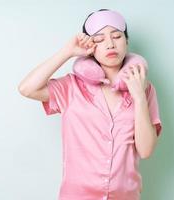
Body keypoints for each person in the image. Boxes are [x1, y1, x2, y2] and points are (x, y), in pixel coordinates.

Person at [18, 8, 162, 200]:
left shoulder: (144, 89)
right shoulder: (71, 87)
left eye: (117, 36)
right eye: (99, 39)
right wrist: (67, 52)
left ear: (126, 41)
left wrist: (139, 97)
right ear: (91, 46)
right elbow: (27, 88)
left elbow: (145, 150)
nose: (110, 44)